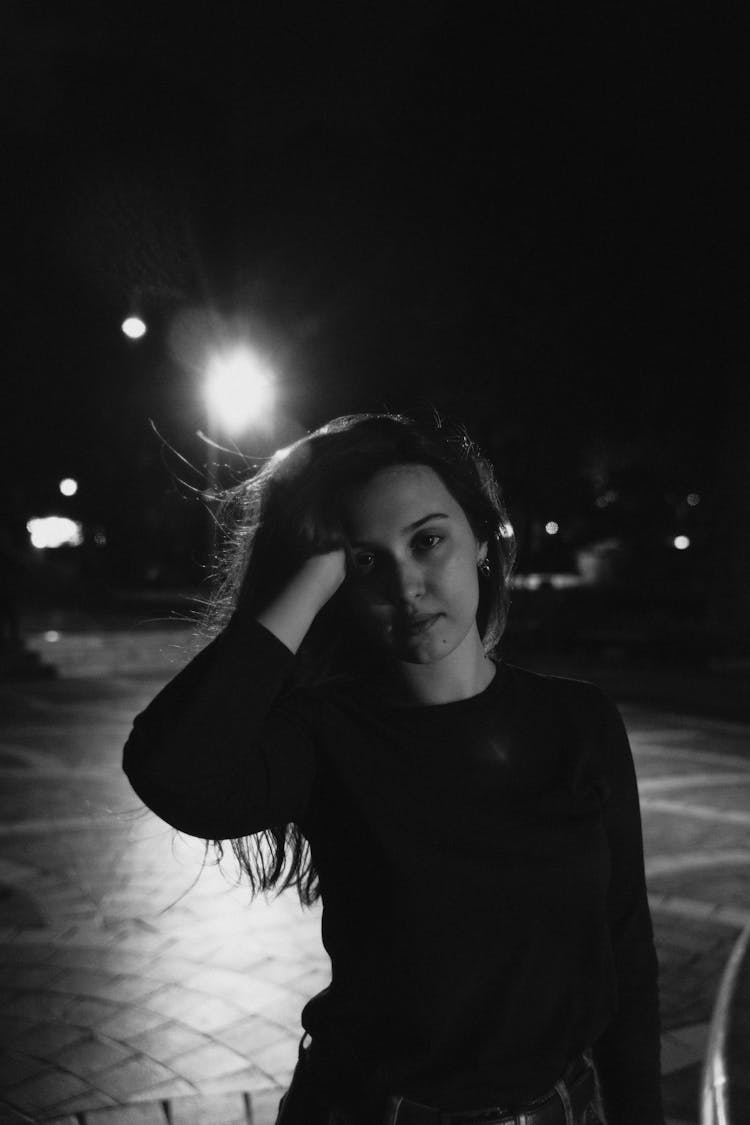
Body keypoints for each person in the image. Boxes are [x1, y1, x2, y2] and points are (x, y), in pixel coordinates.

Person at [123, 412, 664, 1125]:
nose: (407, 585)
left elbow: (626, 945)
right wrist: (310, 574)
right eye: (367, 561)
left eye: (428, 540)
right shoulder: (326, 735)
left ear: (480, 539)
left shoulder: (579, 721)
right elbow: (172, 768)